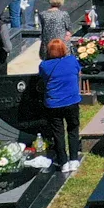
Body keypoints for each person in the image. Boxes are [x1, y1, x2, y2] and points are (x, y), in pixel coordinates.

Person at [38, 36, 84, 171]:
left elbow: (43, 78)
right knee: (73, 129)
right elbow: (78, 72)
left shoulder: (44, 66)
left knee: (58, 133)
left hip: (54, 103)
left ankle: (63, 162)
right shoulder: (72, 60)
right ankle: (74, 159)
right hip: (71, 101)